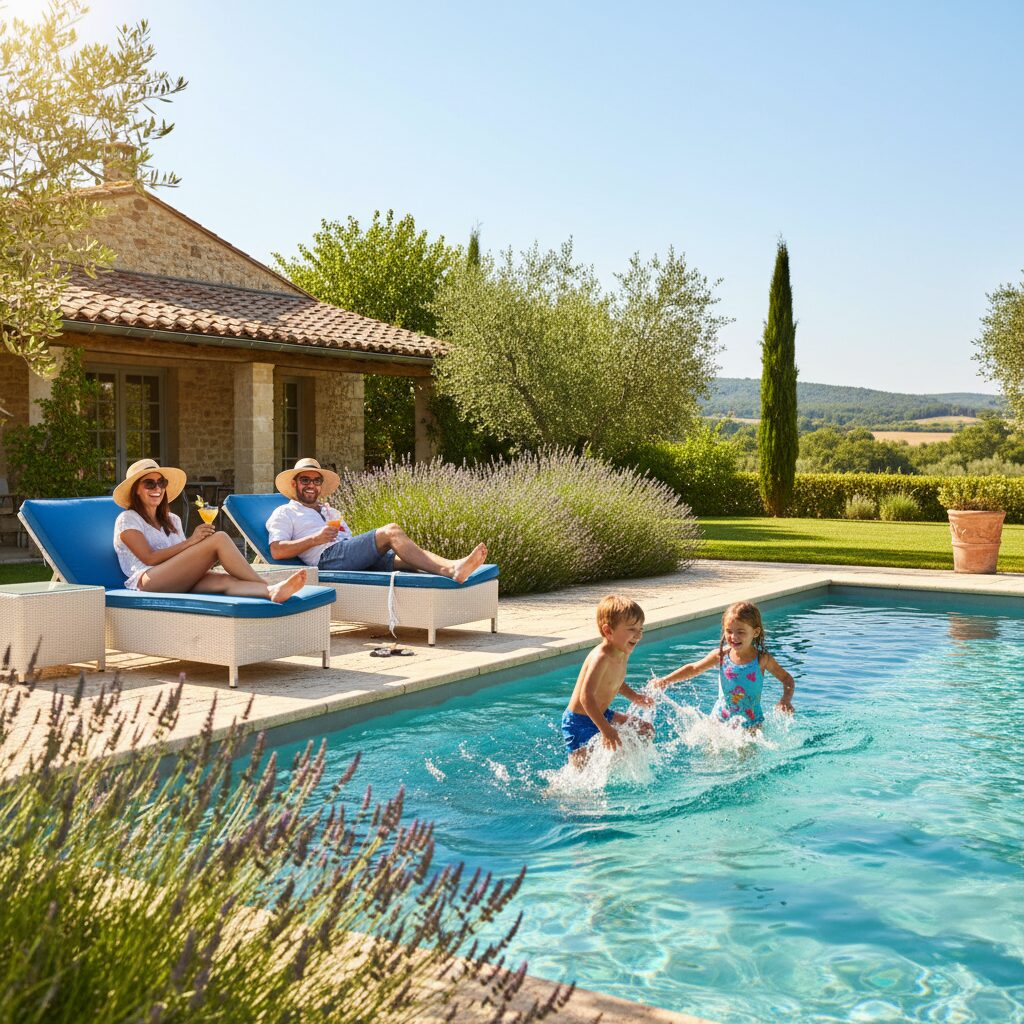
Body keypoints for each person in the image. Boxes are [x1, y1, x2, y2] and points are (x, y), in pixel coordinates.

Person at [112, 458, 307, 601]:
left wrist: (201, 553)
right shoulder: (128, 519)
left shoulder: (173, 520)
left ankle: (271, 591)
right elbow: (149, 558)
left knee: (225, 581)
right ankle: (266, 584)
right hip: (149, 581)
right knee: (220, 538)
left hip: (176, 577)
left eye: (161, 483)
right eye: (149, 483)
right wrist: (193, 542)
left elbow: (182, 557)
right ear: (136, 489)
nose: (157, 488)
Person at [266, 458, 488, 581]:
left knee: (408, 558)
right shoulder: (285, 513)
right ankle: (451, 569)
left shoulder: (328, 511)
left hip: (345, 553)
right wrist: (315, 539)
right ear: (294, 484)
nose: (311, 485)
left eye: (316, 481)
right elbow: (276, 550)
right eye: (305, 480)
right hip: (327, 559)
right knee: (391, 531)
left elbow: (347, 539)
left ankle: (453, 566)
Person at [654, 601, 795, 728]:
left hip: (751, 722)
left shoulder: (762, 659)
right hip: (720, 720)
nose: (734, 637)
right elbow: (694, 668)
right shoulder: (720, 656)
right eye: (729, 631)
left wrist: (785, 700)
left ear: (755, 632)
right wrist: (665, 680)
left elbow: (787, 679)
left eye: (740, 632)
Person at [561, 594, 654, 767]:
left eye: (641, 629)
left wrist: (634, 696)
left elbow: (614, 681)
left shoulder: (623, 651)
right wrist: (606, 730)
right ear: (608, 631)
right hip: (579, 721)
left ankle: (630, 768)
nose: (638, 635)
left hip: (603, 714)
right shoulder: (601, 657)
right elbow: (585, 697)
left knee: (645, 730)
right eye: (632, 629)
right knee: (581, 773)